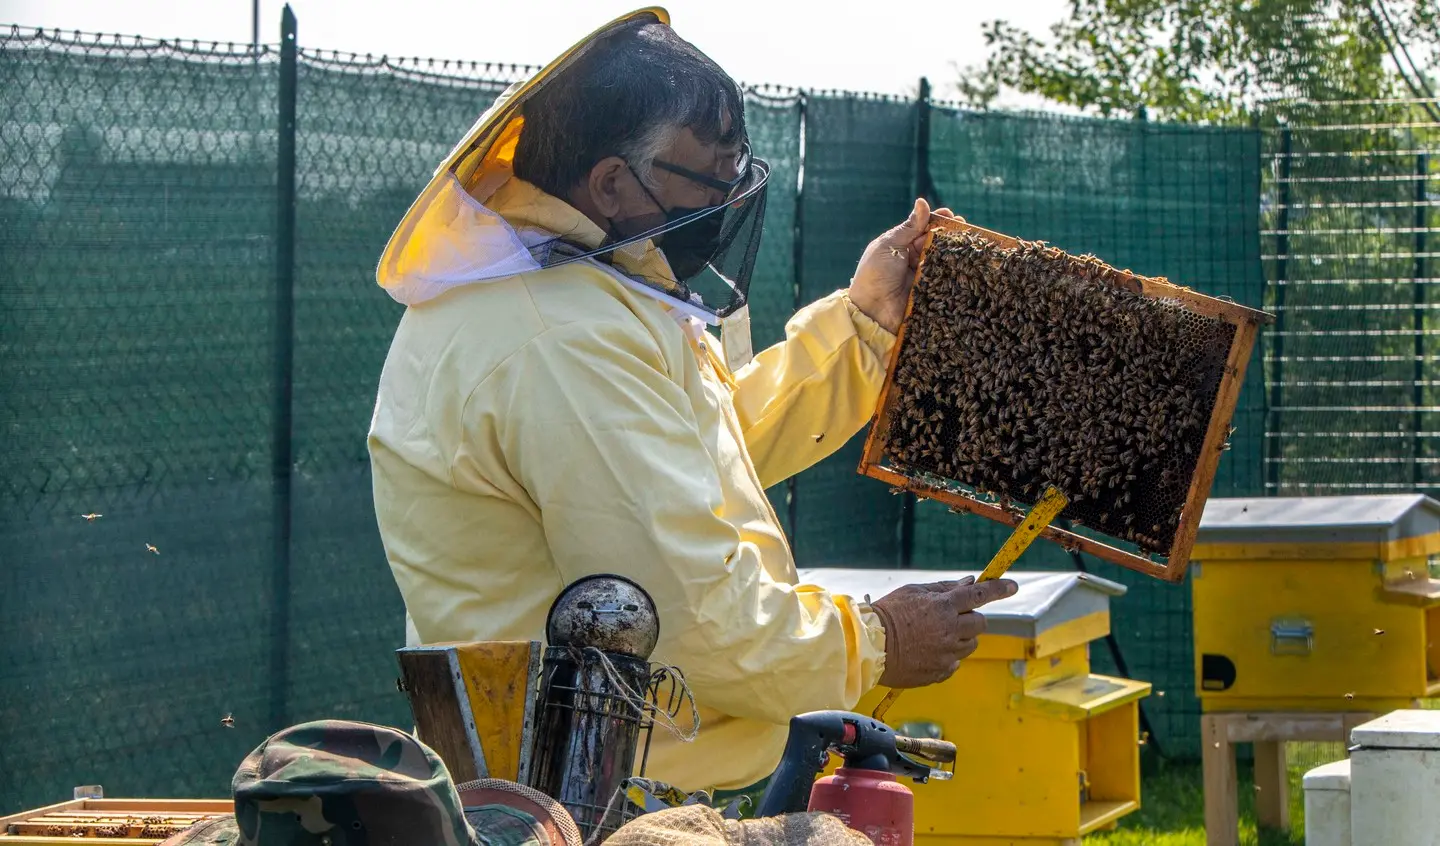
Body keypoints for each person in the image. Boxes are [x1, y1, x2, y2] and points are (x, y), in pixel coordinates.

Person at [366, 7, 1017, 796]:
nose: (729, 190)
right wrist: (875, 641)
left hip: (611, 781)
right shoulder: (558, 339)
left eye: (735, 163)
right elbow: (688, 616)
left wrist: (862, 327)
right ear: (611, 182)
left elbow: (702, 452)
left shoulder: (575, 299)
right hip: (595, 801)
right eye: (708, 167)